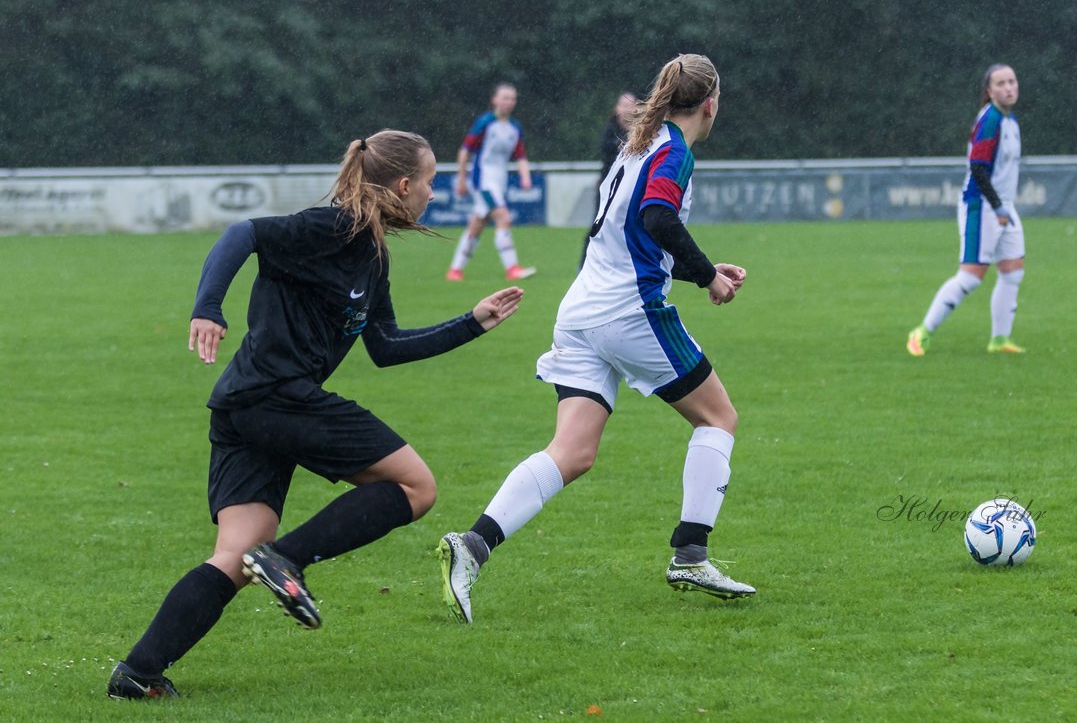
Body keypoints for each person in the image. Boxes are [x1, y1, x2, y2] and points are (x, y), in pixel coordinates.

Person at [107, 130, 524, 700]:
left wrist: (470, 323)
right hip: (273, 396)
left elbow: (386, 347)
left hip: (252, 404)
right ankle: (285, 559)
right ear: (403, 184)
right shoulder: (330, 227)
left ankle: (138, 673)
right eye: (430, 181)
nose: (433, 193)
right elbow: (242, 233)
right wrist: (207, 308)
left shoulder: (372, 255)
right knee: (416, 486)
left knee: (234, 556)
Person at [436, 54, 755, 625]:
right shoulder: (673, 150)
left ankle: (473, 545)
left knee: (573, 452)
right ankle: (690, 553)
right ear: (711, 103)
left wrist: (703, 268)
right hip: (629, 313)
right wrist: (707, 276)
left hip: (580, 311)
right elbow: (657, 217)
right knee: (719, 418)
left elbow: (631, 236)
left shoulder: (639, 143)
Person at [907, 64, 1026, 356]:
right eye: (1001, 83)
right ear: (989, 91)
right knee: (971, 276)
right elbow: (978, 168)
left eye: (1012, 81)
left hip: (1003, 205)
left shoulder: (1010, 121)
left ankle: (999, 341)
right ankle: (921, 332)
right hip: (981, 205)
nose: (1009, 87)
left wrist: (1003, 206)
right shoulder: (991, 121)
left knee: (1012, 271)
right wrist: (996, 206)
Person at [446, 83, 537, 281]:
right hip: (483, 181)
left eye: (512, 98)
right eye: (504, 98)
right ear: (494, 99)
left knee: (477, 224)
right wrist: (462, 179)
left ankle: (455, 270)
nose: (509, 102)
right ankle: (512, 268)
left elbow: (520, 155)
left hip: (499, 182)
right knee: (504, 218)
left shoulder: (515, 127)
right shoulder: (485, 122)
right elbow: (465, 151)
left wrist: (525, 177)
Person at [580, 91, 638, 266]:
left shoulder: (643, 131)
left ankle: (625, 263)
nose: (627, 109)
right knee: (599, 225)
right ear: (616, 109)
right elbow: (608, 159)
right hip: (609, 187)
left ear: (637, 108)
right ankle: (585, 265)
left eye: (630, 105)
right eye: (623, 105)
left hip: (633, 187)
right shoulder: (610, 131)